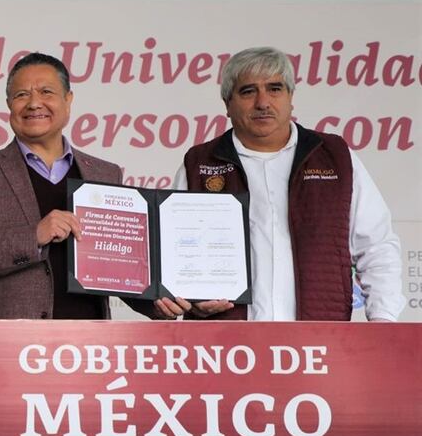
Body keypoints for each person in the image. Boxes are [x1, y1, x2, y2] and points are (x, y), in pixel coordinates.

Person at [152, 46, 404, 321]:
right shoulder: (199, 164)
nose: (263, 102)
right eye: (248, 91)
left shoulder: (335, 157)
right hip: (224, 346)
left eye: (274, 89)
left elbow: (376, 246)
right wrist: (190, 301)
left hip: (319, 343)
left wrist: (383, 320)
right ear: (227, 103)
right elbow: (170, 255)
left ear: (290, 97)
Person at [0, 52, 123, 319]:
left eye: (46, 92)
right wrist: (33, 236)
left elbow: (121, 267)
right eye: (21, 95)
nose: (34, 103)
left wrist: (159, 303)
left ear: (68, 100)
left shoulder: (106, 174)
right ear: (9, 105)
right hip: (9, 346)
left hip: (90, 342)